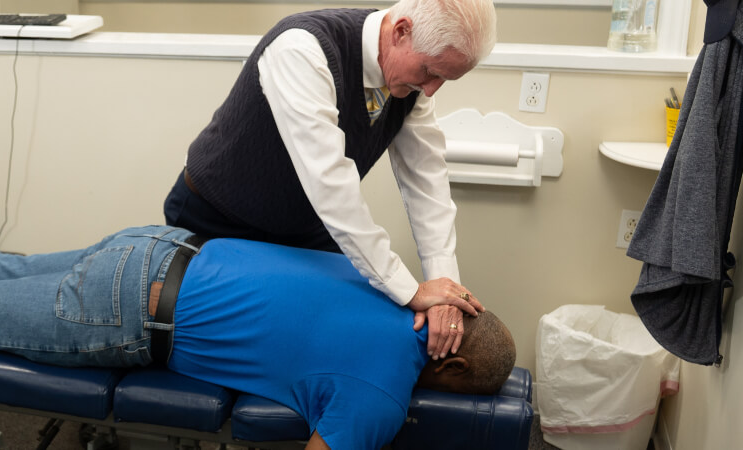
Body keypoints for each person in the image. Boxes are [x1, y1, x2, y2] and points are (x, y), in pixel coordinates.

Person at [0, 225, 515, 450]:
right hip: (126, 314)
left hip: (159, 246)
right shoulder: (379, 398)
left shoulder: (388, 281)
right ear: (443, 370)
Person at [163, 0, 498, 358]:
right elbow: (332, 188)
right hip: (216, 216)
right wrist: (411, 290)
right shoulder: (302, 49)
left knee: (336, 333)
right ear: (401, 32)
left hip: (303, 225)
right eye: (431, 72)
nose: (432, 90)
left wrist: (445, 292)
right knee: (229, 347)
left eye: (445, 79)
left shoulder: (413, 84)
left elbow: (427, 184)